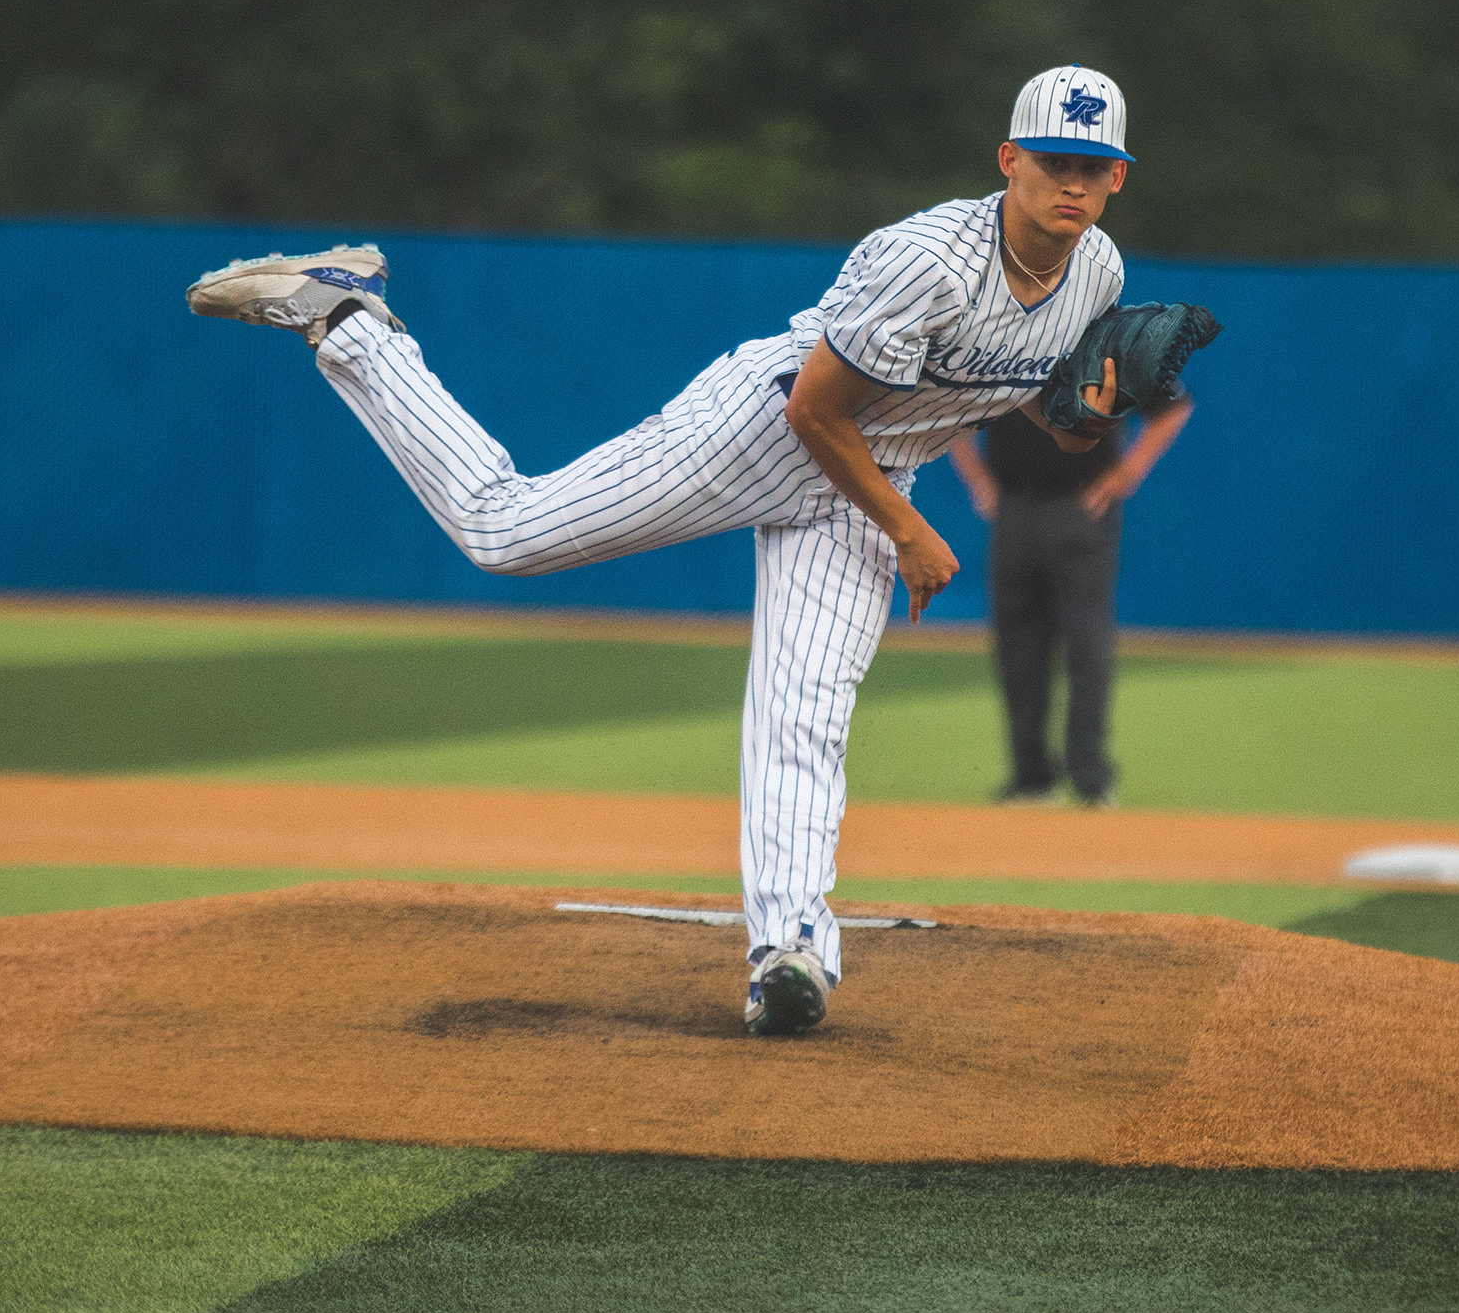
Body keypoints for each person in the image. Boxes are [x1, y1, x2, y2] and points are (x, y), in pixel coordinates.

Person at [183, 66, 1152, 1040]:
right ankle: (351, 321)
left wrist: (1103, 402)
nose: (1072, 181)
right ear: (1009, 159)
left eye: (1094, 165)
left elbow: (1048, 407)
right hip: (765, 427)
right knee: (504, 532)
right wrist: (908, 530)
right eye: (1054, 160)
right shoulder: (927, 261)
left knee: (805, 714)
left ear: (1117, 177)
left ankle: (788, 952)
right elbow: (815, 412)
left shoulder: (1098, 274)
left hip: (874, 476)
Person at [946, 377, 1193, 809]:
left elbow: (1174, 408)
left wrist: (1128, 472)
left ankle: (1090, 779)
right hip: (1013, 506)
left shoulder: (1112, 343)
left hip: (1083, 506)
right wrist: (977, 480)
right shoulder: (1005, 340)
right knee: (1017, 647)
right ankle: (1031, 779)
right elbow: (949, 404)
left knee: (1086, 644)